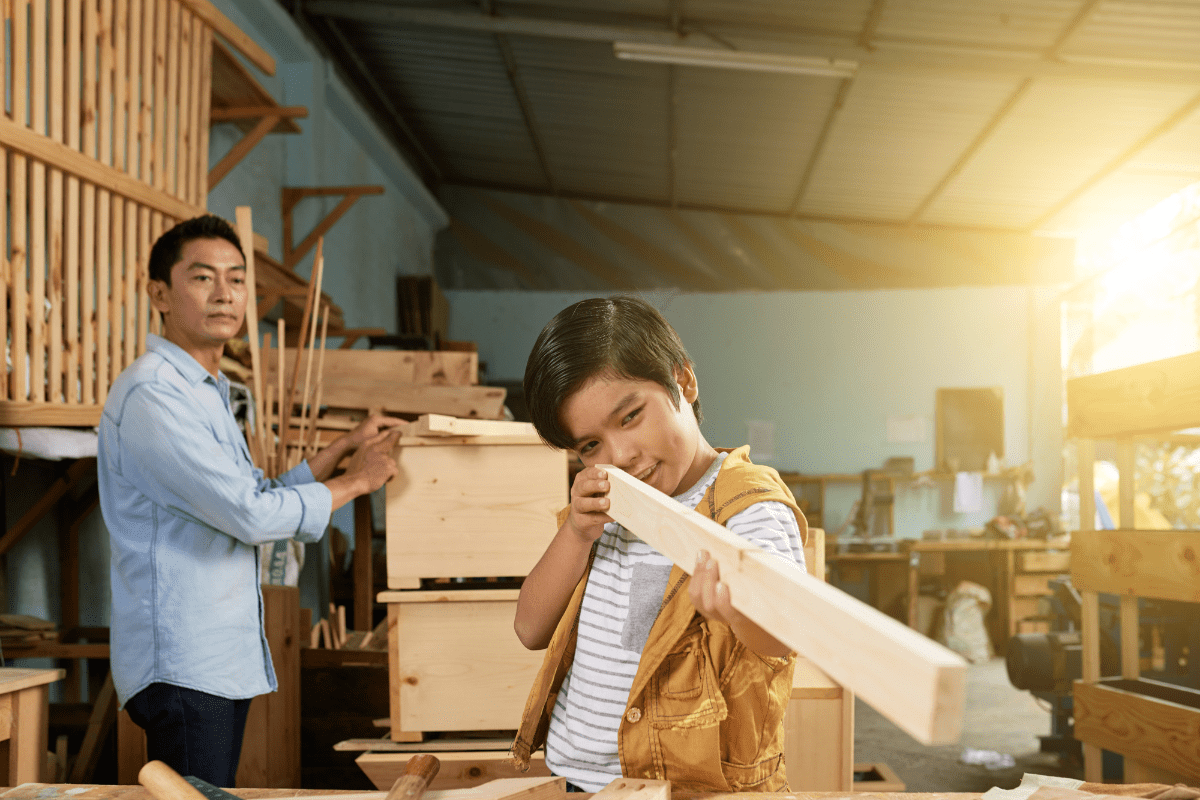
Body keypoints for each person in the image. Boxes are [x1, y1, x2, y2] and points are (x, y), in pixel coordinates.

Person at [98, 214, 402, 785]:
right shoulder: (153, 396)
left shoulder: (207, 391)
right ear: (158, 293)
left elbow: (253, 495)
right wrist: (356, 482)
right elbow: (251, 516)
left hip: (214, 658)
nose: (224, 294)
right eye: (202, 278)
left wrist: (340, 448)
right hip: (185, 663)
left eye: (236, 280)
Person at [510, 296, 809, 793]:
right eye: (590, 446)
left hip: (693, 790)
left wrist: (739, 611)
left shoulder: (747, 505)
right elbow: (529, 628)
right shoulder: (602, 508)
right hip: (578, 782)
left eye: (629, 417)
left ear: (684, 381)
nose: (620, 455)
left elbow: (785, 636)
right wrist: (575, 533)